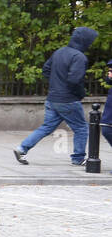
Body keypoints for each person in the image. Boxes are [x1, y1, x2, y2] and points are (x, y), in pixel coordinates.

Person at [13, 26, 98, 166]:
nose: (91, 44)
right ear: (85, 41)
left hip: (52, 98)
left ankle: (22, 148)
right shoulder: (79, 57)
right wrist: (81, 94)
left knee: (47, 127)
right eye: (90, 41)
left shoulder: (60, 52)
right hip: (68, 100)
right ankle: (78, 158)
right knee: (81, 128)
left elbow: (46, 69)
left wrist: (56, 84)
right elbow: (74, 80)